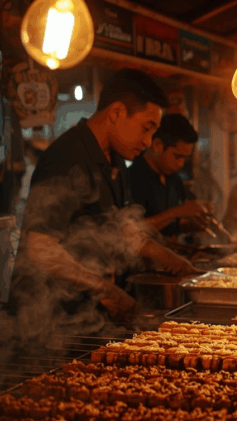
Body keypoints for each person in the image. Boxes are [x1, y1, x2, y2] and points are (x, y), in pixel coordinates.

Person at [10, 69, 197, 324]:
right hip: (54, 317)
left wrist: (170, 258)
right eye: (146, 127)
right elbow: (40, 249)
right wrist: (106, 290)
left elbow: (120, 228)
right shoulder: (67, 159)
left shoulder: (116, 159)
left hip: (93, 315)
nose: (148, 140)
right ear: (117, 112)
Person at [128, 113, 212, 240]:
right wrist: (177, 211)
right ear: (157, 145)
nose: (181, 164)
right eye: (177, 156)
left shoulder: (174, 179)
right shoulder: (132, 177)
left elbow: (167, 228)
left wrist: (193, 225)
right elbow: (131, 231)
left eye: (185, 158)